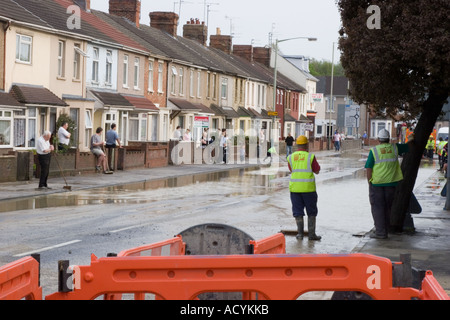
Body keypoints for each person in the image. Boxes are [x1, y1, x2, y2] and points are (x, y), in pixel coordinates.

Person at [365, 129, 411, 239]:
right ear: (389, 139)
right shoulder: (395, 148)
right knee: (388, 208)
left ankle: (381, 233)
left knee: (378, 208)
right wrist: (411, 139)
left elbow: (368, 168)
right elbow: (407, 146)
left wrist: (369, 182)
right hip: (392, 184)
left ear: (378, 139)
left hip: (377, 184)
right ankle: (386, 229)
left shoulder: (374, 151)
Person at [287, 135, 321, 241]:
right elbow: (317, 170)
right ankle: (311, 235)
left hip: (295, 189)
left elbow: (291, 170)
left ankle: (300, 234)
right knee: (311, 212)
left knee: (298, 212)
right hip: (308, 189)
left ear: (296, 145)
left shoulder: (291, 157)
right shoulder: (310, 157)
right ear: (306, 145)